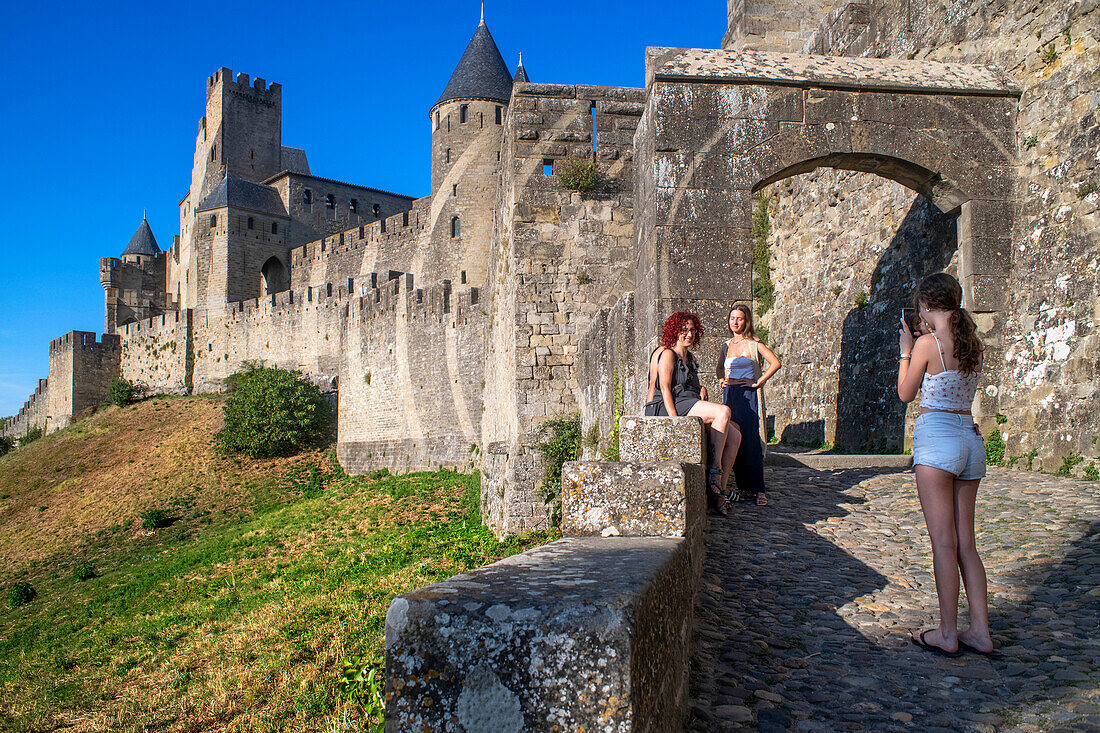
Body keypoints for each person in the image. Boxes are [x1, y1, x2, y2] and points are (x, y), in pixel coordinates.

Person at [898, 273, 993, 657]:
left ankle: (948, 632)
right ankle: (981, 632)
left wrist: (905, 351)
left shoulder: (926, 344)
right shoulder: (971, 342)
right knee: (967, 544)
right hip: (969, 438)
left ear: (924, 305)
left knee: (943, 541)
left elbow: (905, 393)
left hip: (938, 439)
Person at [651, 311, 741, 515]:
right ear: (675, 331)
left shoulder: (690, 358)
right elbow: (665, 388)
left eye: (692, 330)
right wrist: (675, 421)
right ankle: (715, 472)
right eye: (684, 330)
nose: (689, 334)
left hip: (690, 402)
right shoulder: (668, 354)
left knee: (735, 436)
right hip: (674, 404)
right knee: (723, 412)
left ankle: (720, 491)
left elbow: (693, 387)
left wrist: (701, 390)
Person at [717, 304, 781, 506]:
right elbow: (719, 367)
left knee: (751, 440)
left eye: (740, 319)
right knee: (733, 439)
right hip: (730, 394)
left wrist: (758, 382)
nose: (735, 322)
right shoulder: (726, 345)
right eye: (732, 318)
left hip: (747, 393)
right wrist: (721, 380)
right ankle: (744, 487)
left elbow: (775, 363)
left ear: (747, 321)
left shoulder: (754, 343)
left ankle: (759, 489)